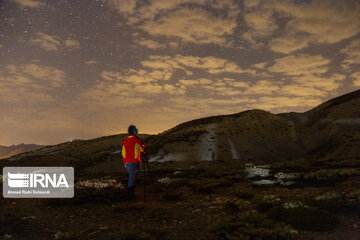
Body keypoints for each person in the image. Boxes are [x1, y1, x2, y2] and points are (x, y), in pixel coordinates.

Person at [122, 125, 144, 200]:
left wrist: (125, 161)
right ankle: (130, 196)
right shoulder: (137, 140)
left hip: (127, 163)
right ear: (134, 131)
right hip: (133, 162)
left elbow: (123, 153)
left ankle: (131, 195)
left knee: (132, 177)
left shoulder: (125, 141)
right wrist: (143, 146)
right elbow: (141, 149)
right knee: (132, 178)